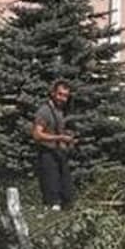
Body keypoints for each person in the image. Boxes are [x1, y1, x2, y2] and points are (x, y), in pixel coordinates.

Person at [31, 80, 76, 210]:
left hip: (60, 154)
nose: (62, 98)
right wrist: (59, 138)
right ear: (53, 93)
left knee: (67, 193)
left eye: (66, 96)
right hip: (47, 154)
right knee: (52, 194)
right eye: (60, 94)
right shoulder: (44, 111)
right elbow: (37, 134)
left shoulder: (63, 110)